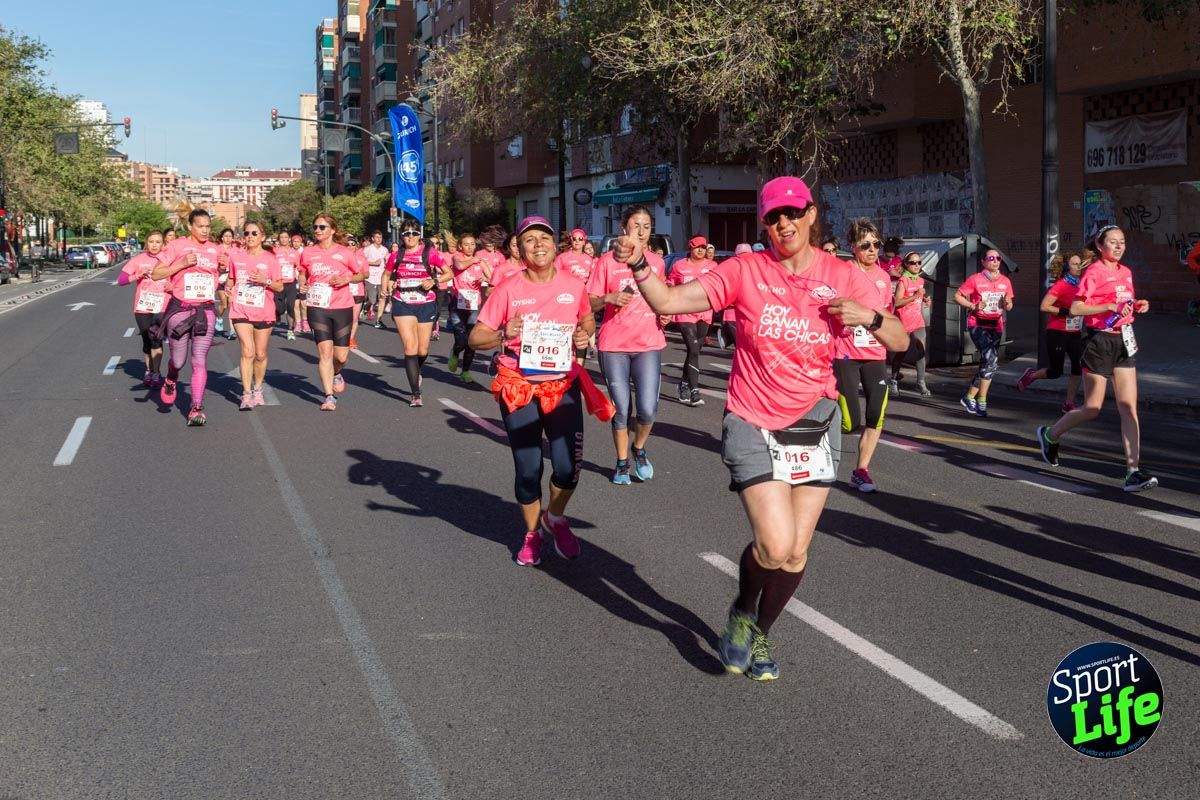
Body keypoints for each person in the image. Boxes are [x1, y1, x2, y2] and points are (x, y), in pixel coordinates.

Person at [627, 176, 906, 681]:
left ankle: (758, 630)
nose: (783, 225)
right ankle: (741, 607)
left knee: (797, 553)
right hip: (753, 418)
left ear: (811, 215)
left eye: (793, 214)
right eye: (774, 217)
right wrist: (637, 265)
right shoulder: (745, 270)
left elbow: (901, 338)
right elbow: (668, 304)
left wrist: (871, 314)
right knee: (774, 546)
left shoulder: (843, 274)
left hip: (816, 421)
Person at [468, 216, 609, 566]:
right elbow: (476, 338)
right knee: (529, 468)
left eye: (543, 238)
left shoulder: (573, 286)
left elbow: (586, 320)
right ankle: (531, 534)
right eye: (529, 240)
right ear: (520, 248)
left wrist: (583, 336)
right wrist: (504, 332)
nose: (538, 245)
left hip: (562, 384)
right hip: (519, 386)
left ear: (553, 244)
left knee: (567, 467)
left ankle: (555, 517)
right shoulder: (508, 289)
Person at [1036, 225, 1157, 492]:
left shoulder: (1126, 272)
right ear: (1100, 246)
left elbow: (1124, 301)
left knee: (1129, 407)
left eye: (1122, 242)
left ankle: (1133, 472)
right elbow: (1078, 308)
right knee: (1092, 408)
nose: (1118, 246)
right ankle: (1050, 434)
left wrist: (1137, 305)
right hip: (1097, 341)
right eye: (1113, 242)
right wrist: (1107, 306)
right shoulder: (1093, 271)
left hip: (1123, 339)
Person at [587, 205, 668, 484]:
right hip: (614, 345)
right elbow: (588, 301)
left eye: (647, 226)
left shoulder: (656, 263)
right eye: (636, 225)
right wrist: (608, 299)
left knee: (647, 409)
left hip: (648, 343)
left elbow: (663, 298)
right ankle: (622, 462)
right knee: (621, 409)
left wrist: (665, 313)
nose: (642, 231)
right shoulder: (607, 262)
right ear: (624, 228)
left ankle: (639, 448)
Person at [834, 219, 898, 493]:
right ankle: (814, 441)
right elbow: (830, 306)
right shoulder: (843, 271)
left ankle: (861, 470)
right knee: (850, 421)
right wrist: (844, 321)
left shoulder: (884, 278)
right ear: (854, 247)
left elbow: (886, 314)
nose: (873, 250)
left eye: (876, 244)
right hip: (846, 352)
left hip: (875, 352)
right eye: (866, 245)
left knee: (876, 414)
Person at [150, 209, 228, 426]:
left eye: (208, 226)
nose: (204, 230)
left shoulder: (215, 249)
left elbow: (220, 279)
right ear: (190, 227)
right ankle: (171, 377)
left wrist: (223, 271)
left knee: (199, 359)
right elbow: (156, 273)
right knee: (178, 360)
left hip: (205, 309)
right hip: (180, 308)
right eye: (200, 226)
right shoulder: (176, 246)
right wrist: (181, 264)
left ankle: (196, 408)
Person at [298, 213, 367, 411]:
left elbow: (360, 274)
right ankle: (329, 396)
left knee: (342, 356)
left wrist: (347, 280)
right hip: (318, 307)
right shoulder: (308, 252)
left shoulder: (345, 252)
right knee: (325, 353)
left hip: (342, 306)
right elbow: (303, 272)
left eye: (322, 227)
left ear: (332, 230)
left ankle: (336, 373)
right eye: (315, 227)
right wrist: (303, 283)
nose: (317, 231)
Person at [387, 225, 453, 407]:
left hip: (426, 302)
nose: (410, 237)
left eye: (414, 233)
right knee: (410, 347)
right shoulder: (396, 255)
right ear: (401, 236)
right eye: (406, 234)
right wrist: (387, 286)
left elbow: (449, 273)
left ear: (419, 235)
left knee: (422, 350)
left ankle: (417, 370)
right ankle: (415, 393)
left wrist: (434, 280)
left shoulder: (430, 253)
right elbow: (387, 274)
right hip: (403, 302)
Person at [1017, 250, 1090, 410]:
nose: (1078, 267)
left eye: (1080, 264)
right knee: (1055, 372)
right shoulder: (1061, 285)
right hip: (1057, 332)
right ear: (1066, 267)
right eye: (1074, 264)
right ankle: (1032, 375)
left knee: (1078, 367)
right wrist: (1065, 312)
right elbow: (1044, 306)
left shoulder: (1083, 285)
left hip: (1075, 332)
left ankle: (1068, 403)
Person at [227, 222, 284, 410]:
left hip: (264, 310)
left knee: (260, 354)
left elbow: (279, 286)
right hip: (240, 309)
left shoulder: (271, 259)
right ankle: (246, 393)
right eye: (246, 233)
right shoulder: (236, 257)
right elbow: (231, 279)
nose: (250, 236)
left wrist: (264, 281)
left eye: (254, 233)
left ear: (262, 236)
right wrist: (229, 287)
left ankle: (258, 389)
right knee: (247, 351)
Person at [954, 249, 1014, 418]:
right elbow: (957, 296)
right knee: (990, 359)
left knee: (988, 364)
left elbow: (1009, 306)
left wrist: (1007, 303)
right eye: (991, 258)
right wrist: (972, 306)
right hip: (977, 324)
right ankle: (979, 399)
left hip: (996, 325)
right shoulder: (975, 279)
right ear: (983, 261)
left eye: (998, 258)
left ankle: (972, 397)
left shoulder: (1005, 281)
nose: (995, 261)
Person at [669, 235, 718, 406]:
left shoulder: (712, 266)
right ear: (690, 247)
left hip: (705, 313)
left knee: (694, 351)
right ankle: (694, 391)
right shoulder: (679, 266)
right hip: (685, 313)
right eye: (697, 247)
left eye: (703, 247)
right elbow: (670, 285)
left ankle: (683, 384)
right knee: (693, 349)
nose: (701, 250)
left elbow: (718, 287)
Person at [116, 230, 168, 387]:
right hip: (143, 306)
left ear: (163, 244)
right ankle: (149, 370)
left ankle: (156, 373)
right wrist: (137, 275)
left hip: (162, 305)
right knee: (147, 340)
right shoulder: (139, 259)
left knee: (156, 339)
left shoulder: (168, 260)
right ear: (147, 243)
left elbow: (178, 279)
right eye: (151, 241)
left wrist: (171, 286)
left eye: (158, 242)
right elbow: (121, 280)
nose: (154, 245)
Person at [889, 251, 932, 396]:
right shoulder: (903, 280)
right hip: (903, 322)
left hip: (918, 321)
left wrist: (925, 299)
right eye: (913, 263)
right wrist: (914, 296)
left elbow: (919, 297)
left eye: (919, 262)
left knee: (921, 353)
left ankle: (921, 383)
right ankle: (894, 381)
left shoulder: (920, 280)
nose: (917, 265)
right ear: (906, 264)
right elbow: (898, 302)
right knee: (902, 352)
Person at [449, 233, 486, 382]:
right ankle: (455, 352)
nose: (470, 247)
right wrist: (473, 260)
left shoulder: (480, 262)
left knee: (472, 340)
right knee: (461, 340)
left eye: (472, 244)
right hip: (457, 304)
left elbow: (492, 277)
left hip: (474, 305)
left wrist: (486, 278)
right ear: (460, 246)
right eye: (466, 244)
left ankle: (465, 371)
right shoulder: (457, 257)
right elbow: (459, 266)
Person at [274, 231, 300, 341]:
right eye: (282, 237)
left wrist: (300, 279)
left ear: (289, 239)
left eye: (286, 237)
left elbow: (299, 267)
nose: (284, 239)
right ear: (279, 239)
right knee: (280, 308)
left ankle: (290, 330)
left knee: (291, 306)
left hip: (291, 283)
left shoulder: (294, 252)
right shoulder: (275, 252)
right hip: (279, 283)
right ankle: (278, 314)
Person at [363, 230, 389, 326]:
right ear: (373, 238)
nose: (379, 239)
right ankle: (366, 307)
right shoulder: (367, 249)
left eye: (380, 237)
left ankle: (378, 320)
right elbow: (362, 261)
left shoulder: (385, 250)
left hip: (382, 277)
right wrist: (373, 263)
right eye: (377, 237)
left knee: (382, 298)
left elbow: (387, 262)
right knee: (372, 300)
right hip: (370, 277)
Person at [215, 227, 237, 339]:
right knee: (224, 304)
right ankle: (218, 317)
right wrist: (220, 268)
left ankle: (232, 331)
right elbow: (213, 263)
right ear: (222, 237)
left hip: (231, 279)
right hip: (220, 278)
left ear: (233, 238)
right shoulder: (217, 249)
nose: (228, 238)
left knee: (231, 304)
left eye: (230, 236)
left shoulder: (236, 250)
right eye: (226, 236)